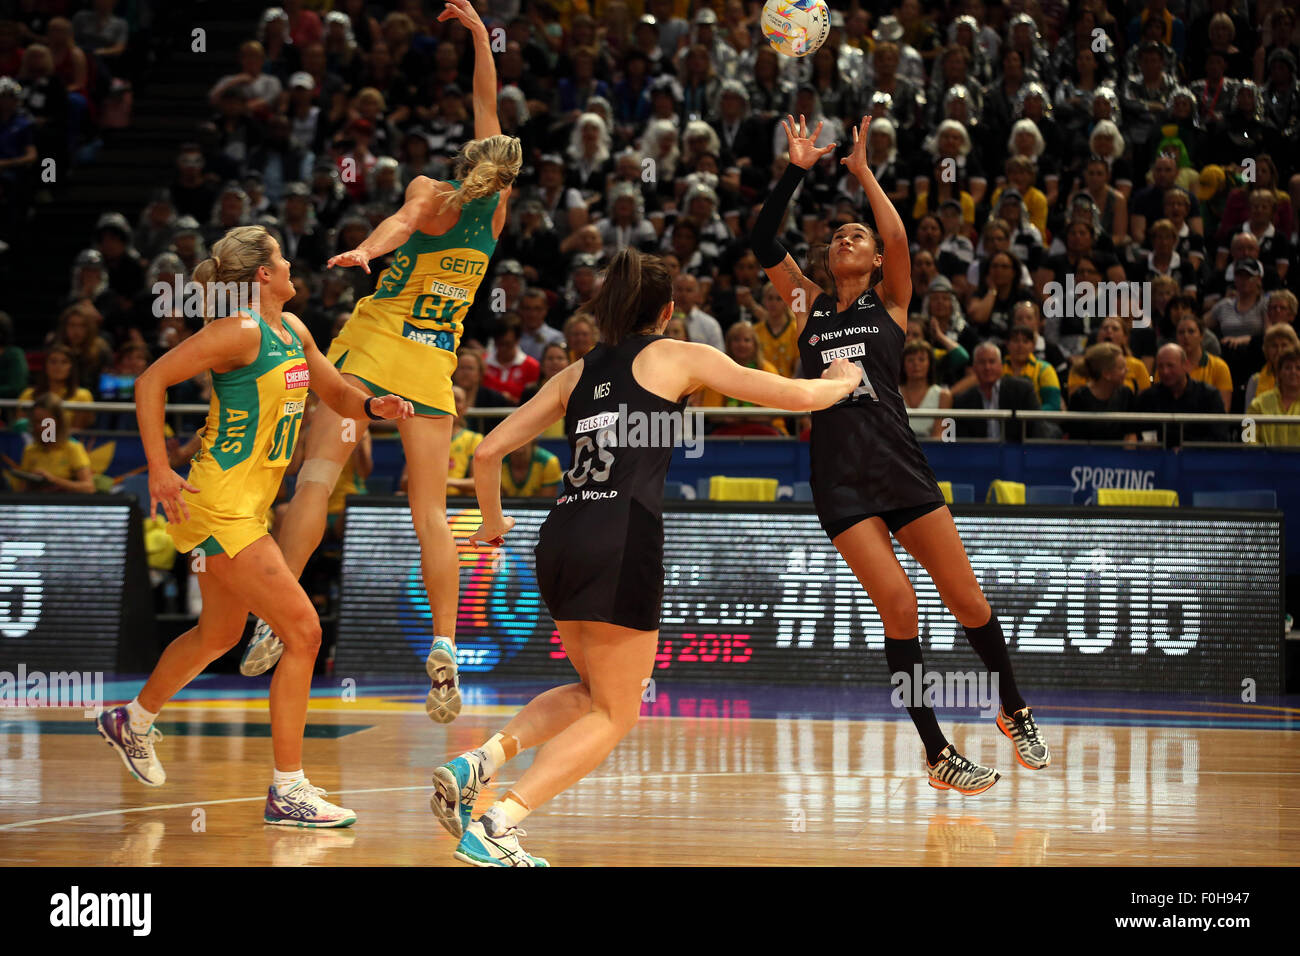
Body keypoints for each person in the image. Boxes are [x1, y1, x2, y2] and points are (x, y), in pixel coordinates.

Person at [428, 248, 860, 865]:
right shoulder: (677, 355)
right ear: (667, 310)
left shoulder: (576, 373)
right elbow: (789, 395)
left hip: (560, 536)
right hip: (621, 534)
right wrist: (841, 382)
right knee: (618, 712)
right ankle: (499, 822)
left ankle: (481, 762)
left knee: (591, 690)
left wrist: (494, 526)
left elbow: (486, 454)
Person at [237, 0, 520, 728]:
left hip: (369, 352)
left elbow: (401, 219)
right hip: (431, 367)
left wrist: (368, 250)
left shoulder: (432, 194)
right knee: (432, 513)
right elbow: (488, 106)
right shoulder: (494, 214)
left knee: (318, 481)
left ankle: (277, 616)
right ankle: (447, 646)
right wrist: (484, 36)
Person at [751, 115, 1050, 795]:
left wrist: (861, 172)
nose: (847, 237)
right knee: (900, 606)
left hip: (902, 468)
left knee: (968, 599)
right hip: (840, 483)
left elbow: (896, 235)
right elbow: (762, 239)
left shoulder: (892, 302)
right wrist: (797, 169)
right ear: (827, 261)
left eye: (856, 234)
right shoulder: (810, 309)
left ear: (877, 260)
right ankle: (937, 753)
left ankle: (1014, 710)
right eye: (836, 237)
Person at [96, 225, 412, 827]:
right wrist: (160, 470)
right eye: (282, 256)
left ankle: (131, 720)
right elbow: (149, 381)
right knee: (304, 632)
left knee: (217, 635)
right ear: (264, 274)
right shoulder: (237, 332)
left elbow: (337, 395)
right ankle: (287, 789)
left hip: (248, 505)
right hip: (219, 504)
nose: (293, 263)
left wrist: (374, 406)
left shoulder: (291, 330)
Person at [1135, 343, 1229, 446]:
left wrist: (1187, 450)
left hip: (1199, 458)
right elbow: (1142, 434)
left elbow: (1220, 436)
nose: (1165, 371)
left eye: (1170, 365)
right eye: (1160, 366)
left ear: (1185, 365)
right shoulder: (1147, 397)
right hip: (1158, 458)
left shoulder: (1209, 395)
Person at [953, 342, 1041, 441]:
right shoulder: (963, 401)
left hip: (1016, 453)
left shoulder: (1023, 390)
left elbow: (1037, 429)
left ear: (1000, 365)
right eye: (982, 362)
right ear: (974, 368)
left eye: (992, 361)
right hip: (979, 454)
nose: (987, 367)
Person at [12, 393, 94, 493]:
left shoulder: (73, 448)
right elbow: (21, 491)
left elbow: (89, 488)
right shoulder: (30, 450)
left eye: (45, 422)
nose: (40, 427)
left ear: (59, 421)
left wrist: (54, 480)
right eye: (36, 422)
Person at [1066, 343, 1137, 442]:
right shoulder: (1079, 398)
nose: (1127, 370)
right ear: (1106, 374)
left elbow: (1131, 433)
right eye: (1121, 368)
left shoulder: (1126, 393)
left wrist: (1127, 455)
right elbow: (1076, 439)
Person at [1246, 346, 1300, 446]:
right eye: (1288, 367)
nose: (1293, 372)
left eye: (1298, 368)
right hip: (1264, 460)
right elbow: (1247, 437)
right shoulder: (1258, 403)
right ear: (1279, 373)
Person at [899, 339, 952, 439]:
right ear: (903, 365)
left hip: (931, 451)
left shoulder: (943, 395)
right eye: (910, 360)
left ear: (930, 364)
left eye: (921, 359)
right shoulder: (892, 392)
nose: (916, 364)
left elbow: (938, 436)